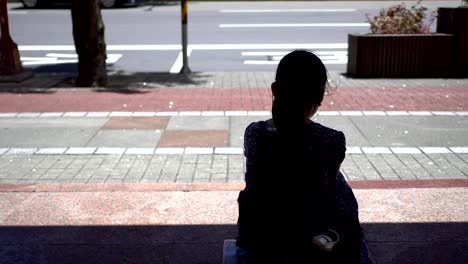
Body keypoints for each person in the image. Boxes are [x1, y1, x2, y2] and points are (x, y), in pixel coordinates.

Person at [235, 50, 372, 264]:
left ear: (275, 90)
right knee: (339, 187)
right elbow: (327, 189)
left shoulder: (254, 133)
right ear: (319, 95)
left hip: (261, 238)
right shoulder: (331, 140)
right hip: (310, 239)